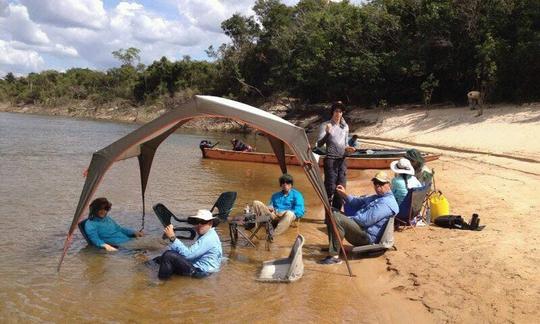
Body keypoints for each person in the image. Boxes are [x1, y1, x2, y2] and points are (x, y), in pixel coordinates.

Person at [319, 171, 399, 265]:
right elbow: (358, 202)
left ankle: (334, 256)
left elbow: (365, 221)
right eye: (375, 183)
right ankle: (335, 246)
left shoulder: (386, 203)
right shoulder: (377, 197)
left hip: (367, 237)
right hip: (362, 229)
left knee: (337, 218)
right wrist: (344, 195)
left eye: (381, 183)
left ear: (389, 185)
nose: (377, 186)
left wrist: (348, 218)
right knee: (331, 211)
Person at [157, 209, 222, 279]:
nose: (199, 225)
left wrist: (172, 238)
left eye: (203, 222)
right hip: (199, 269)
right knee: (159, 259)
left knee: (168, 255)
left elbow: (188, 255)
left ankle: (161, 284)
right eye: (197, 222)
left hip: (201, 273)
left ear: (210, 223)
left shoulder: (209, 238)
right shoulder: (208, 234)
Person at [316, 101, 356, 209]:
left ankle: (336, 213)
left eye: (340, 111)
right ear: (332, 112)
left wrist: (348, 148)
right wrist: (328, 133)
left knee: (341, 188)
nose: (338, 113)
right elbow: (319, 144)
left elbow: (345, 143)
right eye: (336, 111)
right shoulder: (325, 125)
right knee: (330, 188)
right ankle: (327, 215)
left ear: (342, 113)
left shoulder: (345, 126)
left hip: (342, 160)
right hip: (330, 160)